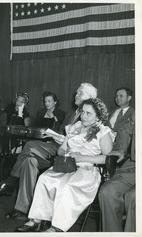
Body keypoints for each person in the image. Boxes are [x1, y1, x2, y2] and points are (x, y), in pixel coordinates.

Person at [0, 83, 97, 220]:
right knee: (29, 161)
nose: (76, 95)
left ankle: (10, 181)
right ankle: (24, 209)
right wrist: (53, 134)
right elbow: (61, 131)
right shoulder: (72, 112)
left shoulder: (89, 116)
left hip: (67, 153)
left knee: (29, 146)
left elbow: (83, 142)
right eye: (77, 92)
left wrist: (62, 139)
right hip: (56, 145)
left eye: (79, 93)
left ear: (88, 98)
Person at [15, 98, 114, 232]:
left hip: (88, 169)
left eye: (88, 113)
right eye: (82, 112)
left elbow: (108, 158)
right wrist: (64, 150)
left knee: (66, 186)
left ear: (98, 116)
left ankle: (58, 227)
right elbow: (61, 149)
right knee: (44, 178)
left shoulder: (103, 132)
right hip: (67, 165)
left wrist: (82, 157)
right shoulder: (76, 127)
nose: (83, 116)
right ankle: (36, 219)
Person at [98, 114, 135, 232]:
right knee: (107, 192)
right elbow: (125, 130)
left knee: (134, 197)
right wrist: (120, 149)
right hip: (133, 166)